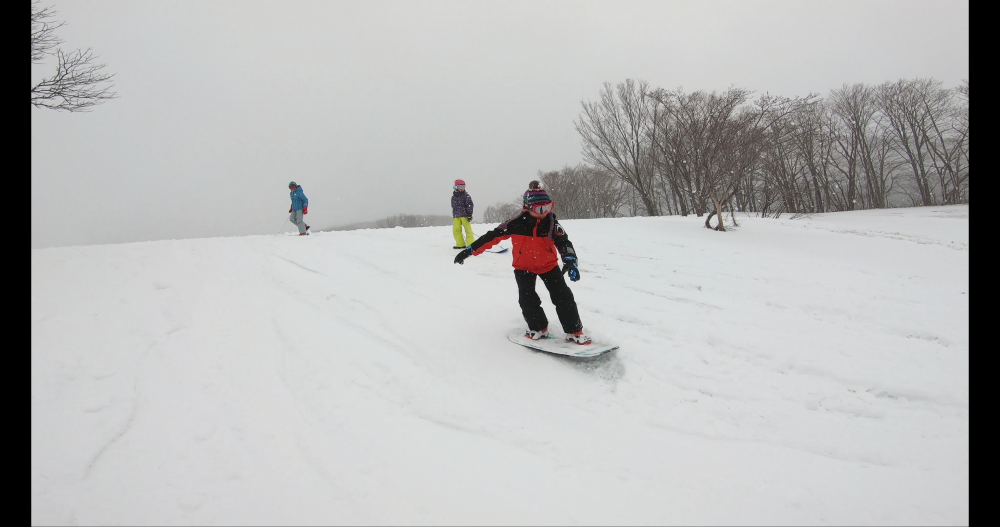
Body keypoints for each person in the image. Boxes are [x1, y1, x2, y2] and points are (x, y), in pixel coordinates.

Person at [454, 181, 591, 345]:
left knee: (563, 297)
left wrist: (570, 260)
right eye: (541, 209)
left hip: (549, 266)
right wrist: (470, 250)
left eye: (548, 208)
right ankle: (538, 328)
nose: (545, 213)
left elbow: (564, 242)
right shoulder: (515, 224)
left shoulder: (552, 223)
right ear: (528, 207)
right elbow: (491, 237)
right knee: (527, 300)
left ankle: (574, 331)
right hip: (523, 268)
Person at [451, 179, 475, 248]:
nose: (462, 189)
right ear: (455, 187)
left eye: (463, 187)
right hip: (456, 216)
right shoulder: (453, 197)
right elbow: (453, 206)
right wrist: (455, 214)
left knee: (468, 230)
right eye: (459, 187)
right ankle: (461, 244)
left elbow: (470, 205)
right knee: (456, 231)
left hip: (465, 216)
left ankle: (471, 245)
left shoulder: (466, 196)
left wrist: (469, 214)